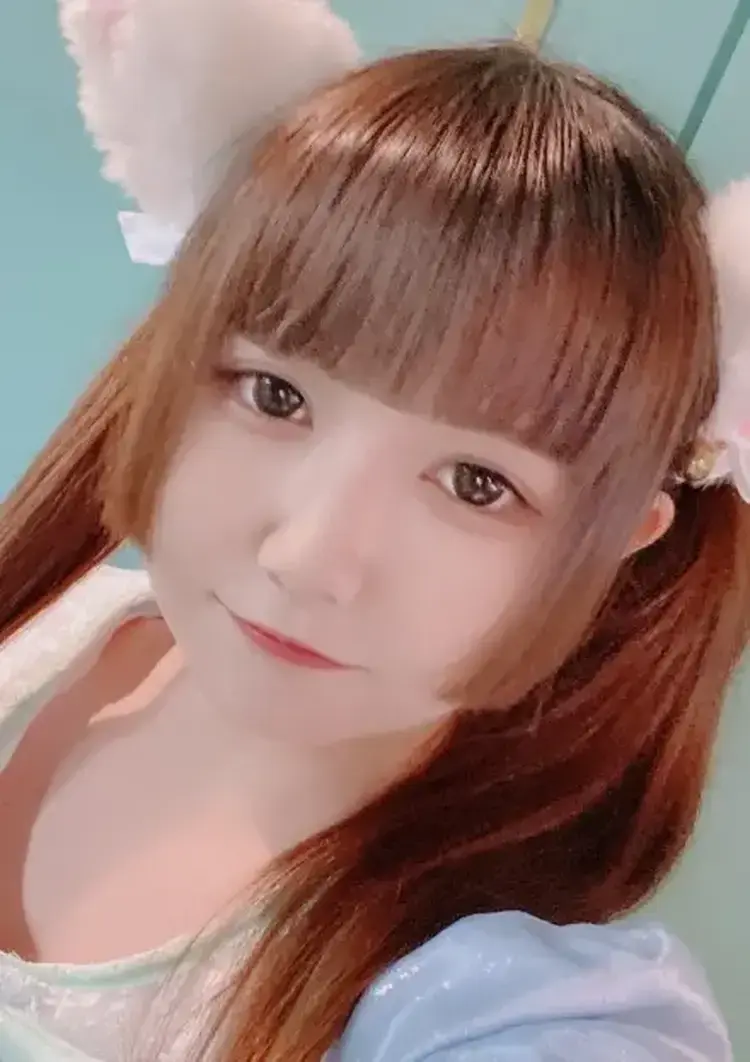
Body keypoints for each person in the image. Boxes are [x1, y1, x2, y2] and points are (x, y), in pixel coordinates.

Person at [1, 7, 750, 1061]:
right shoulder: (51, 632)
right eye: (274, 394)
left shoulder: (504, 1002)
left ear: (624, 536)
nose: (307, 557)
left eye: (478, 484)